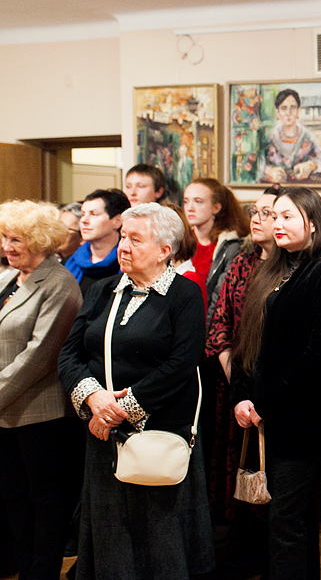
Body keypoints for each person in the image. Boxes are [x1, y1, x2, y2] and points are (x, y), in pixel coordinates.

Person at [57, 203, 214, 579]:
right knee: (112, 532)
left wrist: (122, 408)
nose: (123, 246)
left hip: (158, 432)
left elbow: (182, 363)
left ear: (165, 250)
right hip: (103, 433)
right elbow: (70, 354)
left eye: (135, 239)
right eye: (123, 237)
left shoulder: (184, 294)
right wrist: (94, 400)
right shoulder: (101, 290)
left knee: (160, 533)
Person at [231, 187, 321, 580]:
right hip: (265, 412)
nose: (275, 224)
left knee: (287, 519)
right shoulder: (270, 269)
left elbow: (317, 355)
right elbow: (248, 340)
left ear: (312, 224)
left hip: (302, 419)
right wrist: (243, 396)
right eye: (272, 216)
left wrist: (266, 401)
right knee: (284, 520)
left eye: (286, 217)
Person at [0, 200, 84, 580]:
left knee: (46, 502)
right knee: (14, 500)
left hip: (41, 415)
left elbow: (39, 357)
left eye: (16, 239)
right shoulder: (5, 279)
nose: (7, 246)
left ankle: (42, 573)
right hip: (5, 414)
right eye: (4, 237)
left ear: (39, 240)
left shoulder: (60, 284)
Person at [204, 186, 280, 528]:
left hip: (277, 391)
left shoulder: (298, 268)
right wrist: (237, 378)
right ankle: (239, 546)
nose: (257, 218)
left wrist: (258, 389)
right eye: (255, 211)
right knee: (237, 471)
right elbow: (219, 321)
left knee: (276, 483)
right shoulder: (241, 262)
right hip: (234, 387)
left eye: (268, 212)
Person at [182, 177, 250, 316]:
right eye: (186, 201)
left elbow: (222, 296)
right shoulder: (182, 239)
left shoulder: (229, 245)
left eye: (198, 201)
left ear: (216, 207)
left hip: (211, 318)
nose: (190, 208)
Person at [64, 189, 129, 296]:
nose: (84, 220)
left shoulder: (127, 264)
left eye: (94, 214)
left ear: (117, 221)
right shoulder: (69, 263)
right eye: (83, 214)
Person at [263, 88, 321, 183]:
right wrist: (269, 171)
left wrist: (311, 165)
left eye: (293, 108)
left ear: (298, 111)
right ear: (278, 113)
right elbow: (259, 166)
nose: (288, 113)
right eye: (283, 108)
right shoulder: (270, 138)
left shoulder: (307, 137)